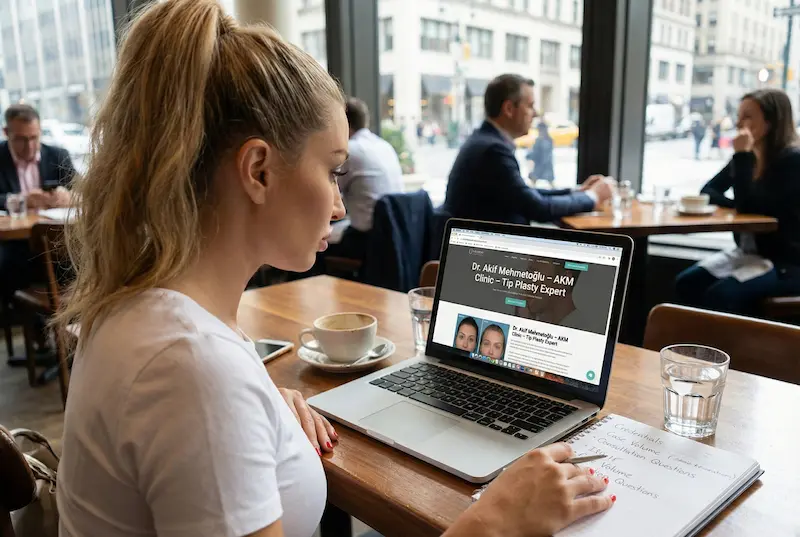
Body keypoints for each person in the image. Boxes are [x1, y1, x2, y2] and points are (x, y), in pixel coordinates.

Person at [55, 2, 613, 536]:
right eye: (333, 170)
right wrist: (491, 523)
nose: (340, 204)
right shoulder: (191, 368)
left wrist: (260, 410)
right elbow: (197, 388)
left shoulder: (145, 312)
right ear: (258, 170)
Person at [675, 88, 800, 315]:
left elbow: (749, 207)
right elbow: (709, 191)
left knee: (721, 296)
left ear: (771, 122)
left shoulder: (792, 161)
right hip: (746, 254)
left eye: (748, 116)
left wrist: (741, 156)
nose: (738, 122)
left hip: (784, 263)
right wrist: (738, 206)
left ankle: (725, 349)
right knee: (686, 283)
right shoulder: (749, 158)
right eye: (739, 115)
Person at [443, 74, 614, 225]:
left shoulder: (485, 141)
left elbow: (524, 194)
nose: (535, 114)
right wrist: (593, 197)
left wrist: (577, 192)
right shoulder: (492, 151)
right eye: (530, 106)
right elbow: (538, 208)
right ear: (509, 109)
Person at [0, 104, 76, 339]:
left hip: (56, 245)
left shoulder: (57, 155)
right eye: (21, 140)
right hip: (15, 247)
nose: (30, 146)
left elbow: (82, 190)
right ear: (6, 133)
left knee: (79, 260)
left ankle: (71, 335)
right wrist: (21, 199)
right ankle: (36, 327)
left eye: (34, 137)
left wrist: (67, 196)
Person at [326, 97, 403, 261]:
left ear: (343, 123)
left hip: (365, 239)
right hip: (393, 237)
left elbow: (329, 196)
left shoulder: (350, 151)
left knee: (315, 243)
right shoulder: (384, 146)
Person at [526, 120, 555, 187]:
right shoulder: (540, 140)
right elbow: (535, 152)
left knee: (549, 181)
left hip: (544, 164)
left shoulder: (547, 140)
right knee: (534, 181)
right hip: (540, 164)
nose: (540, 131)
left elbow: (543, 153)